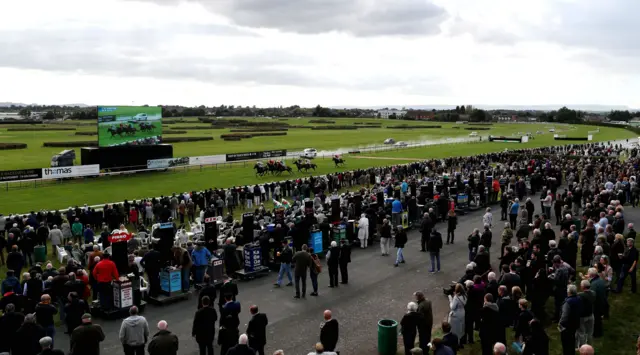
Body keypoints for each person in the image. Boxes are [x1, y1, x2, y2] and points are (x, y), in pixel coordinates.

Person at [559, 285, 582, 355]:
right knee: (572, 341)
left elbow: (564, 316)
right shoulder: (579, 298)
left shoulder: (567, 302)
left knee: (566, 343)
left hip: (567, 326)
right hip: (575, 323)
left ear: (569, 292)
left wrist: (560, 324)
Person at [576, 280, 595, 348]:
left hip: (582, 317)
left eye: (581, 285)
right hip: (591, 315)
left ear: (583, 287)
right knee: (590, 333)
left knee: (581, 333)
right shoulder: (593, 293)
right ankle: (589, 346)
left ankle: (583, 348)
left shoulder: (580, 295)